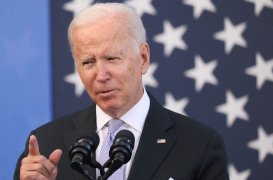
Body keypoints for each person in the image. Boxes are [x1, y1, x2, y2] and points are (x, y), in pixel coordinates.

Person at [14, 2, 229, 180]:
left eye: (111, 58)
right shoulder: (46, 143)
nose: (101, 75)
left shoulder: (199, 145)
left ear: (143, 58)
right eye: (88, 62)